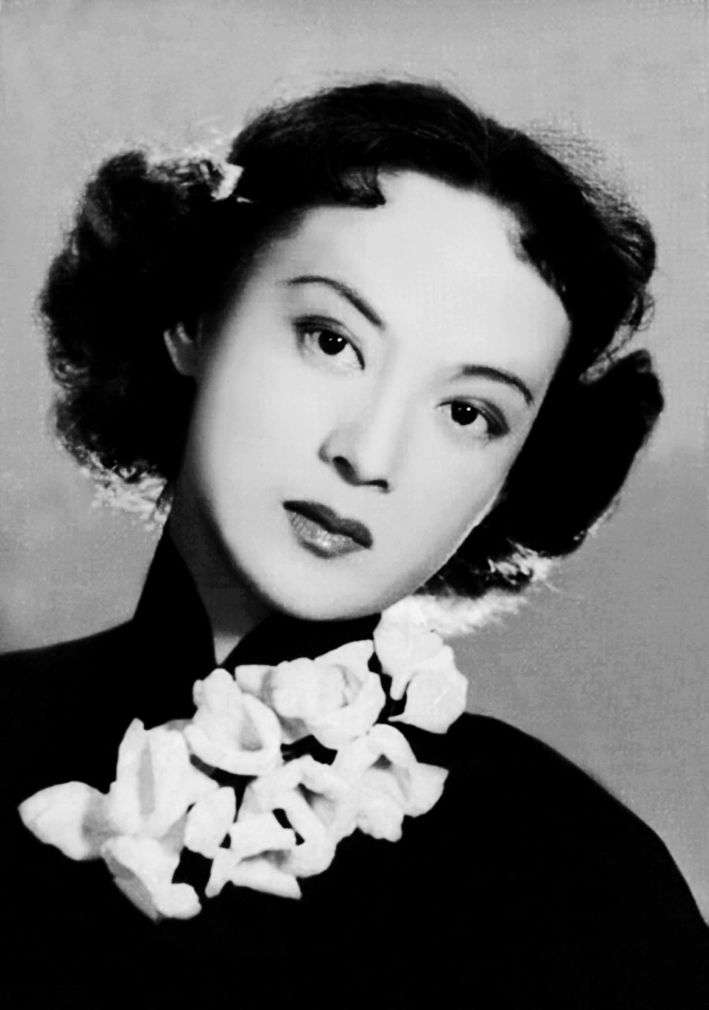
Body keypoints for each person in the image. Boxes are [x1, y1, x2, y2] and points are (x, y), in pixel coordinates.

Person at [0, 79, 706, 1008]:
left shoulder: (579, 882)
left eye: (468, 412)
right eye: (330, 340)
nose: (367, 455)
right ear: (192, 318)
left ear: (509, 479)